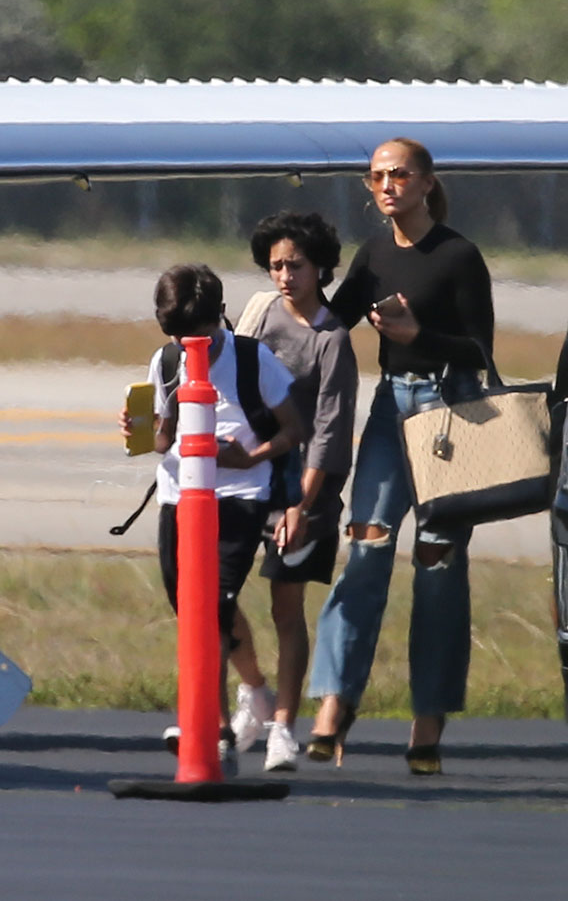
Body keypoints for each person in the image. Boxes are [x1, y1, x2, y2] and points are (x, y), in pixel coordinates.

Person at [306, 137, 494, 773]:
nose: (388, 185)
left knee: (439, 560)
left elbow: (481, 352)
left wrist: (420, 336)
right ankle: (334, 706)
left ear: (426, 181)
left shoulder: (459, 256)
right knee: (368, 545)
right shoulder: (375, 252)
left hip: (452, 407)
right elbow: (330, 323)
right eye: (378, 176)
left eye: (400, 174)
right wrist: (285, 293)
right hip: (391, 407)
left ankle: (428, 720)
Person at [119, 263, 300, 777]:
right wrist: (139, 429)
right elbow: (161, 437)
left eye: (196, 334)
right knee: (189, 606)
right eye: (175, 333)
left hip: (241, 494)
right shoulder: (167, 359)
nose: (186, 343)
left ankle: (211, 728)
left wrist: (251, 456)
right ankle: (256, 691)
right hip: (180, 494)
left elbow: (294, 428)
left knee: (213, 608)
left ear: (219, 316)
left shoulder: (251, 359)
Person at [228, 211, 358, 772]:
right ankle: (253, 692)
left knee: (287, 607)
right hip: (250, 479)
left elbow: (330, 428)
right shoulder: (258, 318)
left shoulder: (332, 340)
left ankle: (283, 724)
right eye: (276, 265)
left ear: (321, 268)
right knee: (216, 598)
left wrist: (302, 506)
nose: (284, 275)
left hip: (303, 491)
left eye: (296, 265)